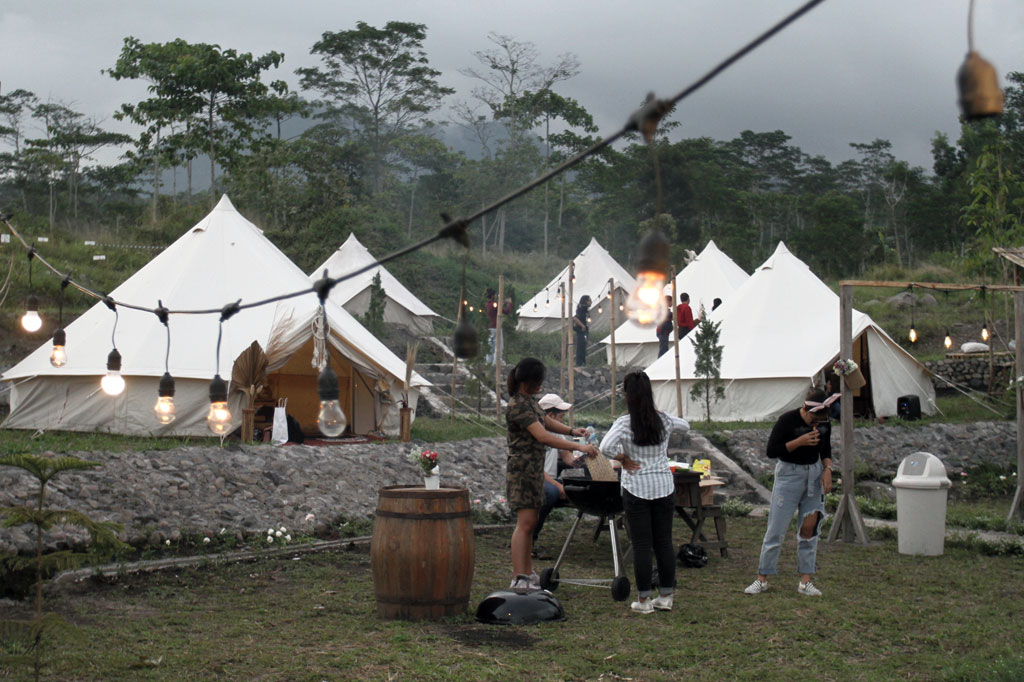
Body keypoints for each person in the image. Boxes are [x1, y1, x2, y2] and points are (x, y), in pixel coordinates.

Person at [506, 358, 599, 594]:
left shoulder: (530, 402)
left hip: (534, 469)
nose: (541, 385)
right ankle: (518, 576)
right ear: (528, 381)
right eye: (538, 381)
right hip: (523, 470)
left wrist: (571, 431)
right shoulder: (517, 405)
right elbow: (542, 435)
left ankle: (527, 573)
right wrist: (579, 446)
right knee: (524, 524)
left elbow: (546, 422)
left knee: (531, 522)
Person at [599, 370, 690, 614]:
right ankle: (667, 596)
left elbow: (604, 447)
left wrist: (622, 457)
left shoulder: (624, 423)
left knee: (641, 545)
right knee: (664, 542)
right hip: (663, 486)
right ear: (650, 393)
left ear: (627, 395)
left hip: (636, 487)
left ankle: (644, 600)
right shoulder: (664, 420)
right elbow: (686, 425)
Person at [744, 387, 836, 598]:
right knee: (776, 528)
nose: (816, 424)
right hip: (789, 475)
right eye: (814, 419)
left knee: (809, 529)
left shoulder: (824, 423)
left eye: (820, 421)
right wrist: (799, 442)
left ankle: (806, 580)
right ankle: (762, 578)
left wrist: (828, 469)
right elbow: (771, 451)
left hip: (814, 473)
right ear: (805, 409)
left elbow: (826, 448)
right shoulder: (787, 420)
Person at [532, 393, 583, 559]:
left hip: (551, 479)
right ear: (550, 415)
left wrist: (581, 461)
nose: (563, 419)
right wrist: (557, 485)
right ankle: (530, 538)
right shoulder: (537, 433)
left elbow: (567, 456)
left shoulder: (557, 433)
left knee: (579, 486)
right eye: (560, 416)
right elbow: (536, 470)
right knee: (551, 493)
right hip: (537, 479)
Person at [485, 288, 513, 365]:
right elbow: (506, 311)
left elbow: (496, 306)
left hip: (488, 328)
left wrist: (502, 302)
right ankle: (495, 364)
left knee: (490, 347)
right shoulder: (495, 305)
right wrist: (510, 303)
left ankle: (488, 363)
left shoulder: (486, 305)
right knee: (499, 347)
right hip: (496, 327)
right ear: (493, 295)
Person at [572, 295, 591, 366]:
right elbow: (575, 318)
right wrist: (582, 325)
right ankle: (579, 363)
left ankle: (583, 363)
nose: (590, 302)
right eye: (588, 300)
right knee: (580, 347)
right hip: (581, 331)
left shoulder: (586, 310)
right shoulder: (581, 309)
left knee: (583, 347)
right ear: (585, 301)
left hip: (585, 330)